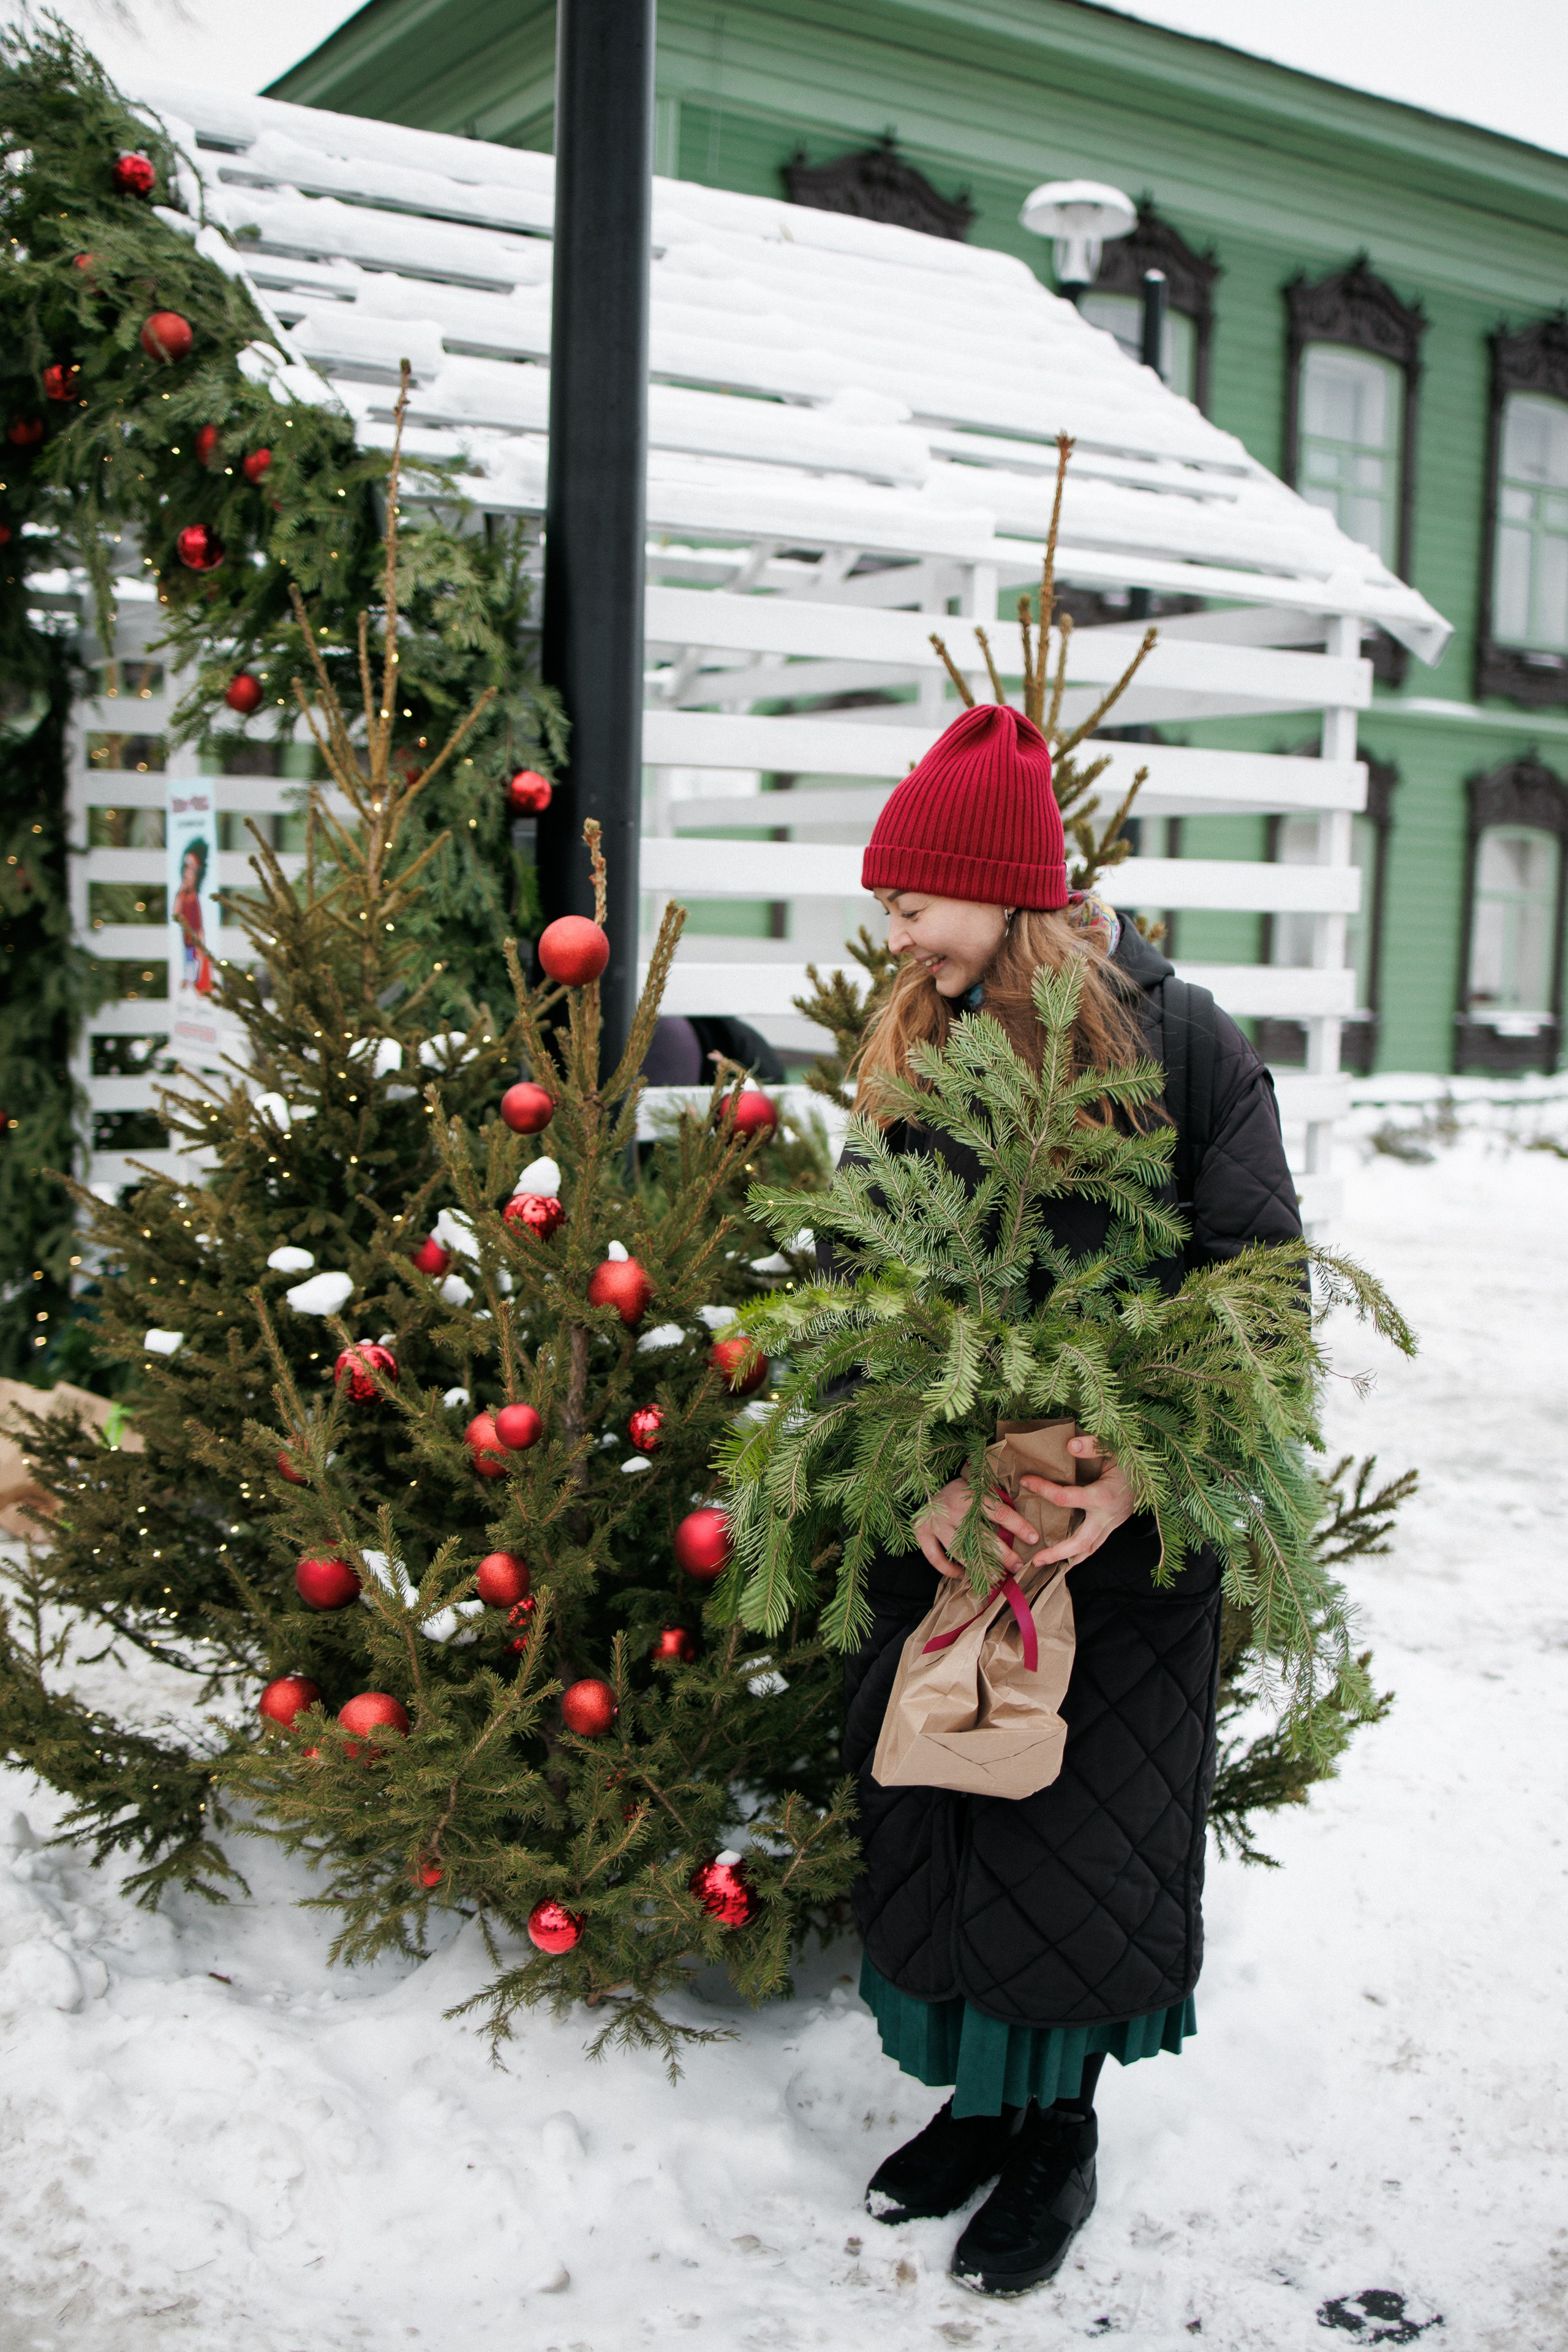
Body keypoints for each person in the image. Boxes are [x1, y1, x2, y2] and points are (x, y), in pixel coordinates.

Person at [838, 699, 1302, 2299]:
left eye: (914, 901)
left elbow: (1260, 1288)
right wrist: (911, 1474)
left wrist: (1145, 1474)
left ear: (998, 890)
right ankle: (976, 2107)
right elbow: (859, 1283)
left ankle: (1059, 2137)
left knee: (1076, 1839)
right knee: (948, 1811)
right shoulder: (919, 1044)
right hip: (952, 1529)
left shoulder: (1186, 1044)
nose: (896, 934)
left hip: (1120, 1548)